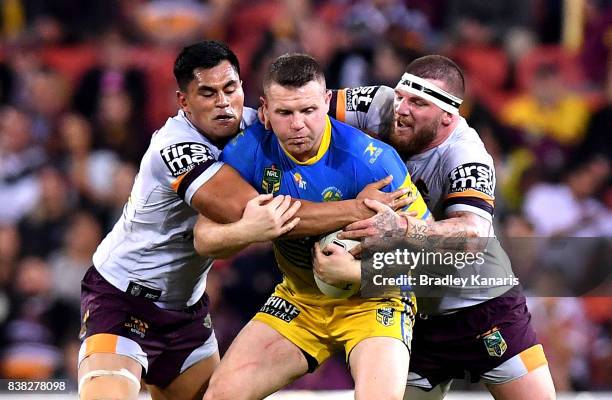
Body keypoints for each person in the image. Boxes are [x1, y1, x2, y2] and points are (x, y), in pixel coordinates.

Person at [77, 41, 408, 400]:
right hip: (123, 297)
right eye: (207, 93)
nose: (223, 102)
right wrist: (359, 209)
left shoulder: (270, 120)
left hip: (185, 309)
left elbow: (369, 101)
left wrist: (438, 138)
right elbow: (252, 215)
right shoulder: (175, 147)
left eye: (230, 88)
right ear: (183, 102)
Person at [319, 55, 556, 400]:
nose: (401, 109)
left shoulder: (466, 155)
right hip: (416, 312)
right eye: (401, 96)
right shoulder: (382, 104)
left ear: (448, 115)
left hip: (482, 306)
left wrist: (399, 228)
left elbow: (473, 235)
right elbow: (311, 105)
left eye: (418, 103)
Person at [200, 53, 431, 400]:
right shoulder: (248, 152)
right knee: (221, 395)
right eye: (285, 113)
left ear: (326, 102)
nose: (297, 125)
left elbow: (435, 256)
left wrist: (359, 272)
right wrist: (250, 230)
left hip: (376, 301)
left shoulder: (373, 162)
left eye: (308, 111)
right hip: (300, 301)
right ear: (264, 109)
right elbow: (204, 237)